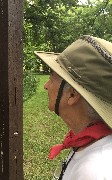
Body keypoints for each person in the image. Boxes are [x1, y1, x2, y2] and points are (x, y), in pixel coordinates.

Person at [35, 35, 112, 180]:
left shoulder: (93, 171)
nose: (46, 86)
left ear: (72, 94)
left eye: (52, 77)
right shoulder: (91, 145)